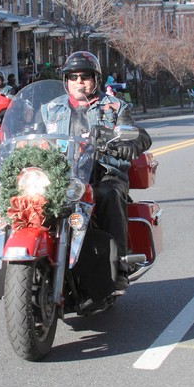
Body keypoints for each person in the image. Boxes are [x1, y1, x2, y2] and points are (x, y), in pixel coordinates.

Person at [41, 51, 151, 291]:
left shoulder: (114, 106)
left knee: (109, 195)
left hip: (103, 172)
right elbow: (29, 134)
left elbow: (139, 135)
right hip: (61, 173)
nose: (79, 81)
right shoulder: (50, 109)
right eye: (73, 76)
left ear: (96, 79)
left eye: (86, 76)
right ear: (66, 80)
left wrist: (127, 144)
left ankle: (120, 264)